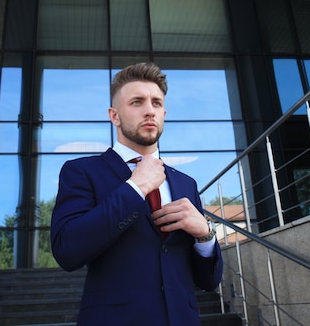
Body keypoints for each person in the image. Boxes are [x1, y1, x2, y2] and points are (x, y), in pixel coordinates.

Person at [51, 62, 222, 326]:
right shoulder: (82, 172)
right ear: (115, 116)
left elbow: (208, 281)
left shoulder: (186, 184)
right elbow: (67, 251)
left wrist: (205, 235)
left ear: (164, 112)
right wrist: (135, 188)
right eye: (137, 102)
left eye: (156, 103)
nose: (149, 111)